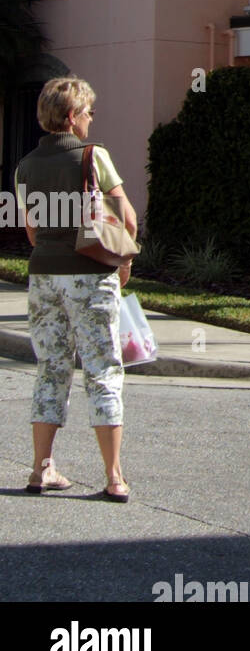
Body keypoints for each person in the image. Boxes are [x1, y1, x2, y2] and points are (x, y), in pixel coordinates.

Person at [16, 77, 139, 502]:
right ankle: (114, 477)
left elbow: (32, 230)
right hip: (89, 274)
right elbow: (127, 219)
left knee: (51, 368)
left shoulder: (26, 165)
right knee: (103, 370)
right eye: (87, 112)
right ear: (72, 116)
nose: (90, 119)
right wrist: (123, 262)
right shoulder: (94, 156)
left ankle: (40, 469)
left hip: (43, 275)